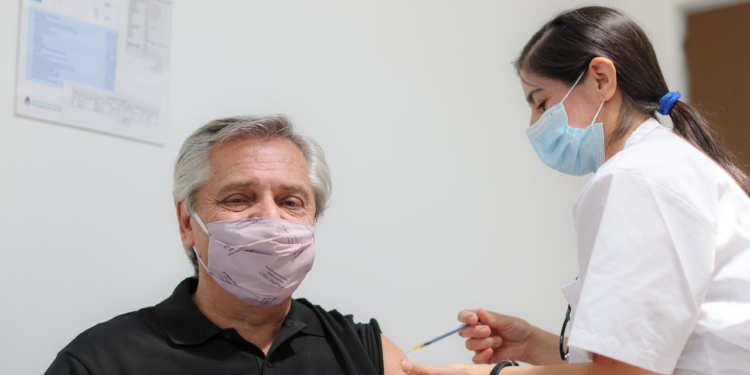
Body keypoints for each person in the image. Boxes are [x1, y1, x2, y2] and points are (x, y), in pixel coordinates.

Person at [401, 6, 750, 375]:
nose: (535, 124)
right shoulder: (664, 164)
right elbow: (638, 357)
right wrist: (535, 344)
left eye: (541, 103)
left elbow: (626, 373)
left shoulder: (639, 178)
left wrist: (492, 373)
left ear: (601, 79)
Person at [45, 115, 408, 374]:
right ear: (187, 222)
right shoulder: (101, 361)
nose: (271, 219)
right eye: (238, 199)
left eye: (291, 202)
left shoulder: (360, 347)